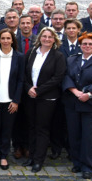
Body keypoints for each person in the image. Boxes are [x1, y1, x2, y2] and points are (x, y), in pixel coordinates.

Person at [62, 32, 92, 179]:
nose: (87, 46)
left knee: (89, 137)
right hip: (73, 103)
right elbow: (66, 77)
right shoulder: (72, 59)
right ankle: (77, 163)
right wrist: (75, 92)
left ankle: (88, 167)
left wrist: (88, 94)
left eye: (90, 44)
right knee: (74, 135)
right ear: (80, 45)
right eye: (84, 44)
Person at [23, 28, 66, 173]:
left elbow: (58, 78)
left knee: (42, 128)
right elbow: (24, 73)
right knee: (31, 127)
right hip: (30, 96)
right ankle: (31, 156)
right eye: (44, 36)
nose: (47, 39)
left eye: (50, 37)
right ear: (40, 38)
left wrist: (39, 90)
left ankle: (38, 160)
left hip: (47, 97)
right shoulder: (31, 54)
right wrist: (29, 87)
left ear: (54, 39)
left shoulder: (58, 56)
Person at [0, 29, 24, 171]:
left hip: (11, 101)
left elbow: (20, 80)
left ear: (12, 40)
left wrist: (16, 100)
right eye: (3, 38)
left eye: (8, 38)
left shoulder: (19, 57)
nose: (6, 41)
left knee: (7, 130)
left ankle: (3, 156)